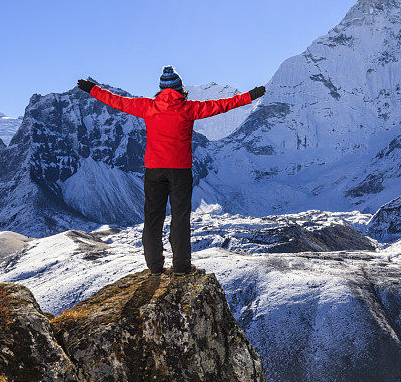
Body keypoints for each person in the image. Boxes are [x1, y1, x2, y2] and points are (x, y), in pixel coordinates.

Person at [77, 66, 265, 275]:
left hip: (154, 170)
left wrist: (92, 89)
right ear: (179, 89)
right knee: (180, 217)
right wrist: (249, 96)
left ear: (161, 89)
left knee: (152, 218)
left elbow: (116, 101)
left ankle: (155, 267)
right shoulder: (188, 108)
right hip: (180, 171)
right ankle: (181, 267)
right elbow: (221, 105)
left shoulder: (147, 107)